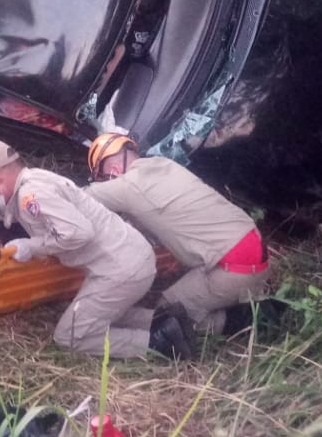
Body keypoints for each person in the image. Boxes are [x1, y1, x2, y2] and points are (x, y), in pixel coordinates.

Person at [0, 139, 194, 359]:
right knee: (103, 314)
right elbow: (33, 213)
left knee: (70, 336)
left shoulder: (32, 194)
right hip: (128, 259)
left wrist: (32, 246)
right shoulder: (34, 180)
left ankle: (159, 343)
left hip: (120, 269)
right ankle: (167, 320)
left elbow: (78, 232)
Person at [84, 133, 276, 335]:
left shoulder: (126, 187)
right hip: (257, 250)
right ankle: (242, 296)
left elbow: (74, 198)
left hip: (235, 268)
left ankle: (244, 320)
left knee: (166, 315)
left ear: (113, 170)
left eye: (103, 179)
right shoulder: (165, 165)